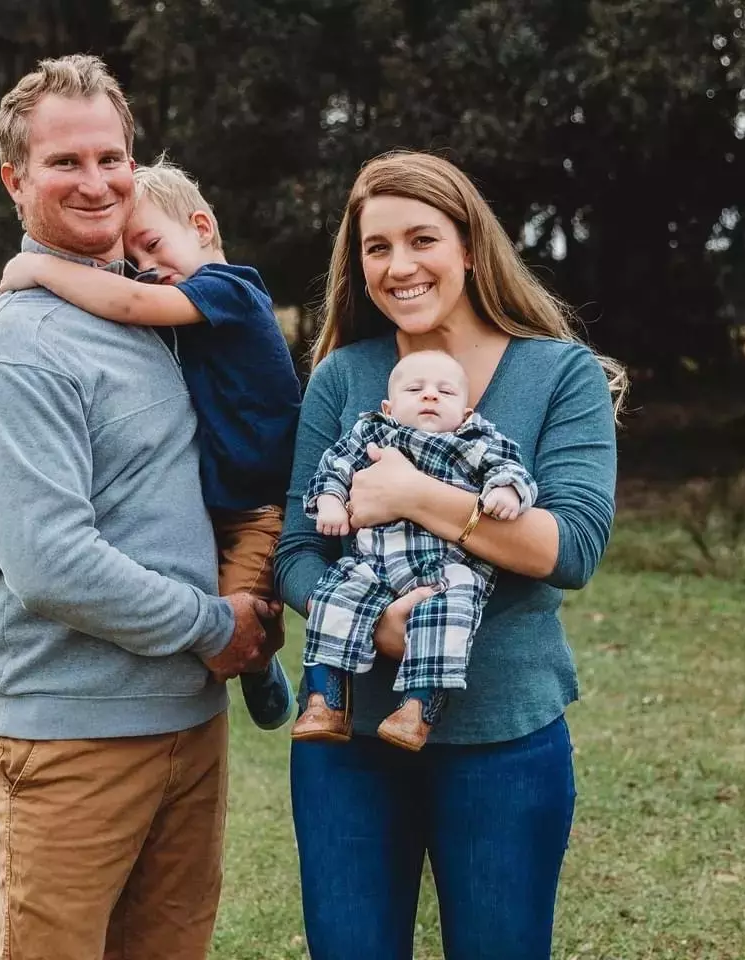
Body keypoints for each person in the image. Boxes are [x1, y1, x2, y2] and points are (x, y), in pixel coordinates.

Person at [0, 54, 280, 960]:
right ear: (15, 180)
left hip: (190, 725)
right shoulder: (17, 349)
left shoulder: (165, 319)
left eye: (111, 158)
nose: (95, 183)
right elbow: (51, 564)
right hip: (72, 743)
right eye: (64, 163)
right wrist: (213, 624)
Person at [275, 150, 624, 960]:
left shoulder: (558, 373)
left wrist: (412, 496)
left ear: (470, 245)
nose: (399, 266)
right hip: (349, 743)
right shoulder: (343, 378)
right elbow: (297, 551)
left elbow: (568, 547)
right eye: (376, 247)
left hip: (505, 736)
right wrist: (380, 628)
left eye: (421, 239)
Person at [0, 156, 302, 731]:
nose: (146, 267)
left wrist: (39, 271)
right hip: (215, 502)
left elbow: (131, 304)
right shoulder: (183, 308)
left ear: (202, 228)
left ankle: (266, 669)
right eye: (133, 259)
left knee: (238, 616)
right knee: (212, 600)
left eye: (153, 244)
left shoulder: (231, 289)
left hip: (262, 504)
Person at [292, 349, 536, 751]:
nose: (430, 397)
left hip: (447, 567)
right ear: (388, 406)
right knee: (333, 597)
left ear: (466, 411)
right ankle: (325, 701)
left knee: (447, 616)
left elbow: (510, 469)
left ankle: (417, 711)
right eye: (415, 389)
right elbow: (332, 468)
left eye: (445, 391)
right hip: (373, 560)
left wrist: (507, 491)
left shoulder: (474, 440)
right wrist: (332, 501)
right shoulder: (372, 434)